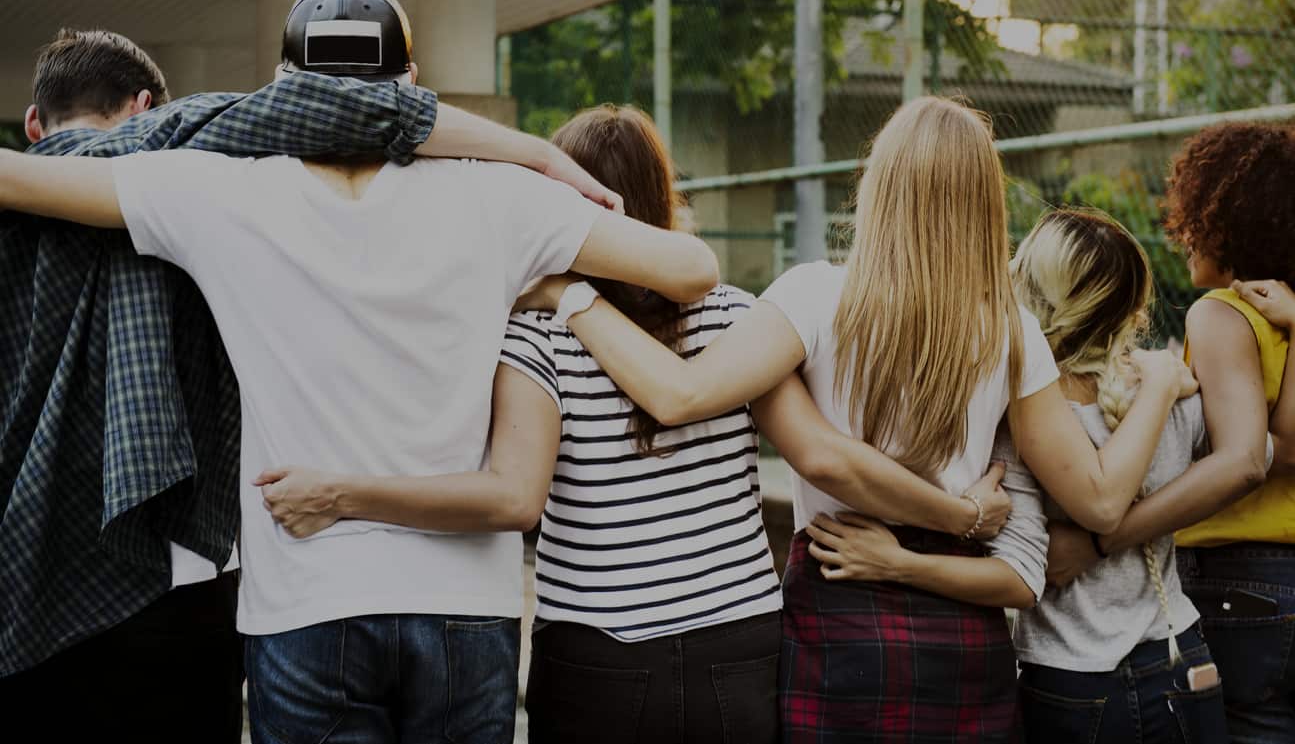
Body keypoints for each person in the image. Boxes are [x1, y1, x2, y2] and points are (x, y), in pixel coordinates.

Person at [0, 0, 718, 744]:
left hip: (306, 600)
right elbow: (689, 268)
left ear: (282, 86)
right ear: (411, 87)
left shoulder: (215, 189)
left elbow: (20, 177)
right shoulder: (504, 197)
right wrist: (558, 284)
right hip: (466, 604)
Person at [251, 104, 1021, 743]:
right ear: (662, 197)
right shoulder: (738, 316)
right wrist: (960, 513)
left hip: (598, 654)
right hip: (740, 646)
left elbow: (513, 496)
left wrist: (345, 493)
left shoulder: (534, 333)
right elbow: (819, 450)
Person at [508, 96, 1195, 742]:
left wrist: (571, 295)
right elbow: (1098, 500)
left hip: (839, 606)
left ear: (878, 185)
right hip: (963, 639)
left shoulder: (809, 297)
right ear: (985, 203)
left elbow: (689, 398)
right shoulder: (1012, 333)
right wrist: (1160, 385)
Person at [837, 209, 1230, 742]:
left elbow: (1024, 571)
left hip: (1072, 675)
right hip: (1181, 654)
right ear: (1134, 308)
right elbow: (1250, 458)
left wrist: (901, 560)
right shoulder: (1171, 391)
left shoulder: (1022, 419)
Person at [1046, 123, 1295, 744]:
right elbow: (1285, 447)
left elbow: (1250, 460)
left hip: (1238, 578)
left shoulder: (1221, 314)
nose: (1181, 238)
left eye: (1191, 221)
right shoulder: (1286, 319)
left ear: (1223, 217)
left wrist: (1103, 543)